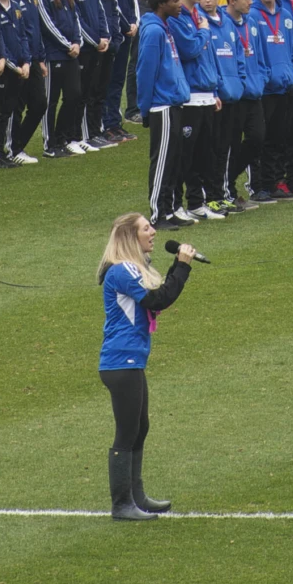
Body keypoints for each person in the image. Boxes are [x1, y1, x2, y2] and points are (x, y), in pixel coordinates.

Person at [96, 209, 198, 519]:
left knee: (140, 428)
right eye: (145, 228)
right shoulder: (121, 271)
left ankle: (136, 497)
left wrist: (177, 268)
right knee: (127, 432)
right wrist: (181, 266)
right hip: (120, 361)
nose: (153, 232)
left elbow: (158, 295)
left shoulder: (130, 268)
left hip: (130, 360)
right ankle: (122, 504)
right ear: (130, 237)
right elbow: (158, 301)